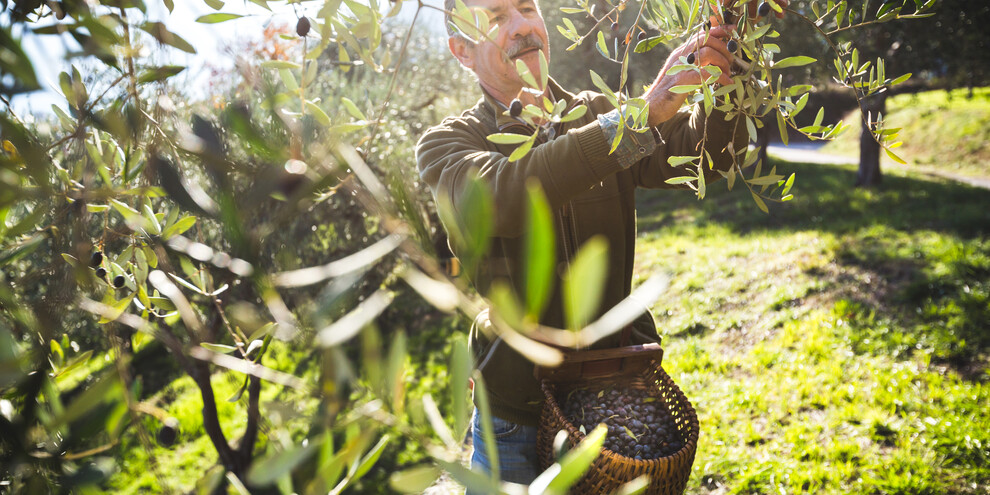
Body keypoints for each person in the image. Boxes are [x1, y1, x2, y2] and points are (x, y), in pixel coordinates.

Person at [415, 0, 789, 486]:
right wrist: (640, 116)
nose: (522, 27)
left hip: (616, 398)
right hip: (515, 413)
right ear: (462, 52)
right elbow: (504, 196)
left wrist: (732, 64)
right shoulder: (447, 145)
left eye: (527, 9)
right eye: (496, 17)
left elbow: (702, 156)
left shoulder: (594, 112)